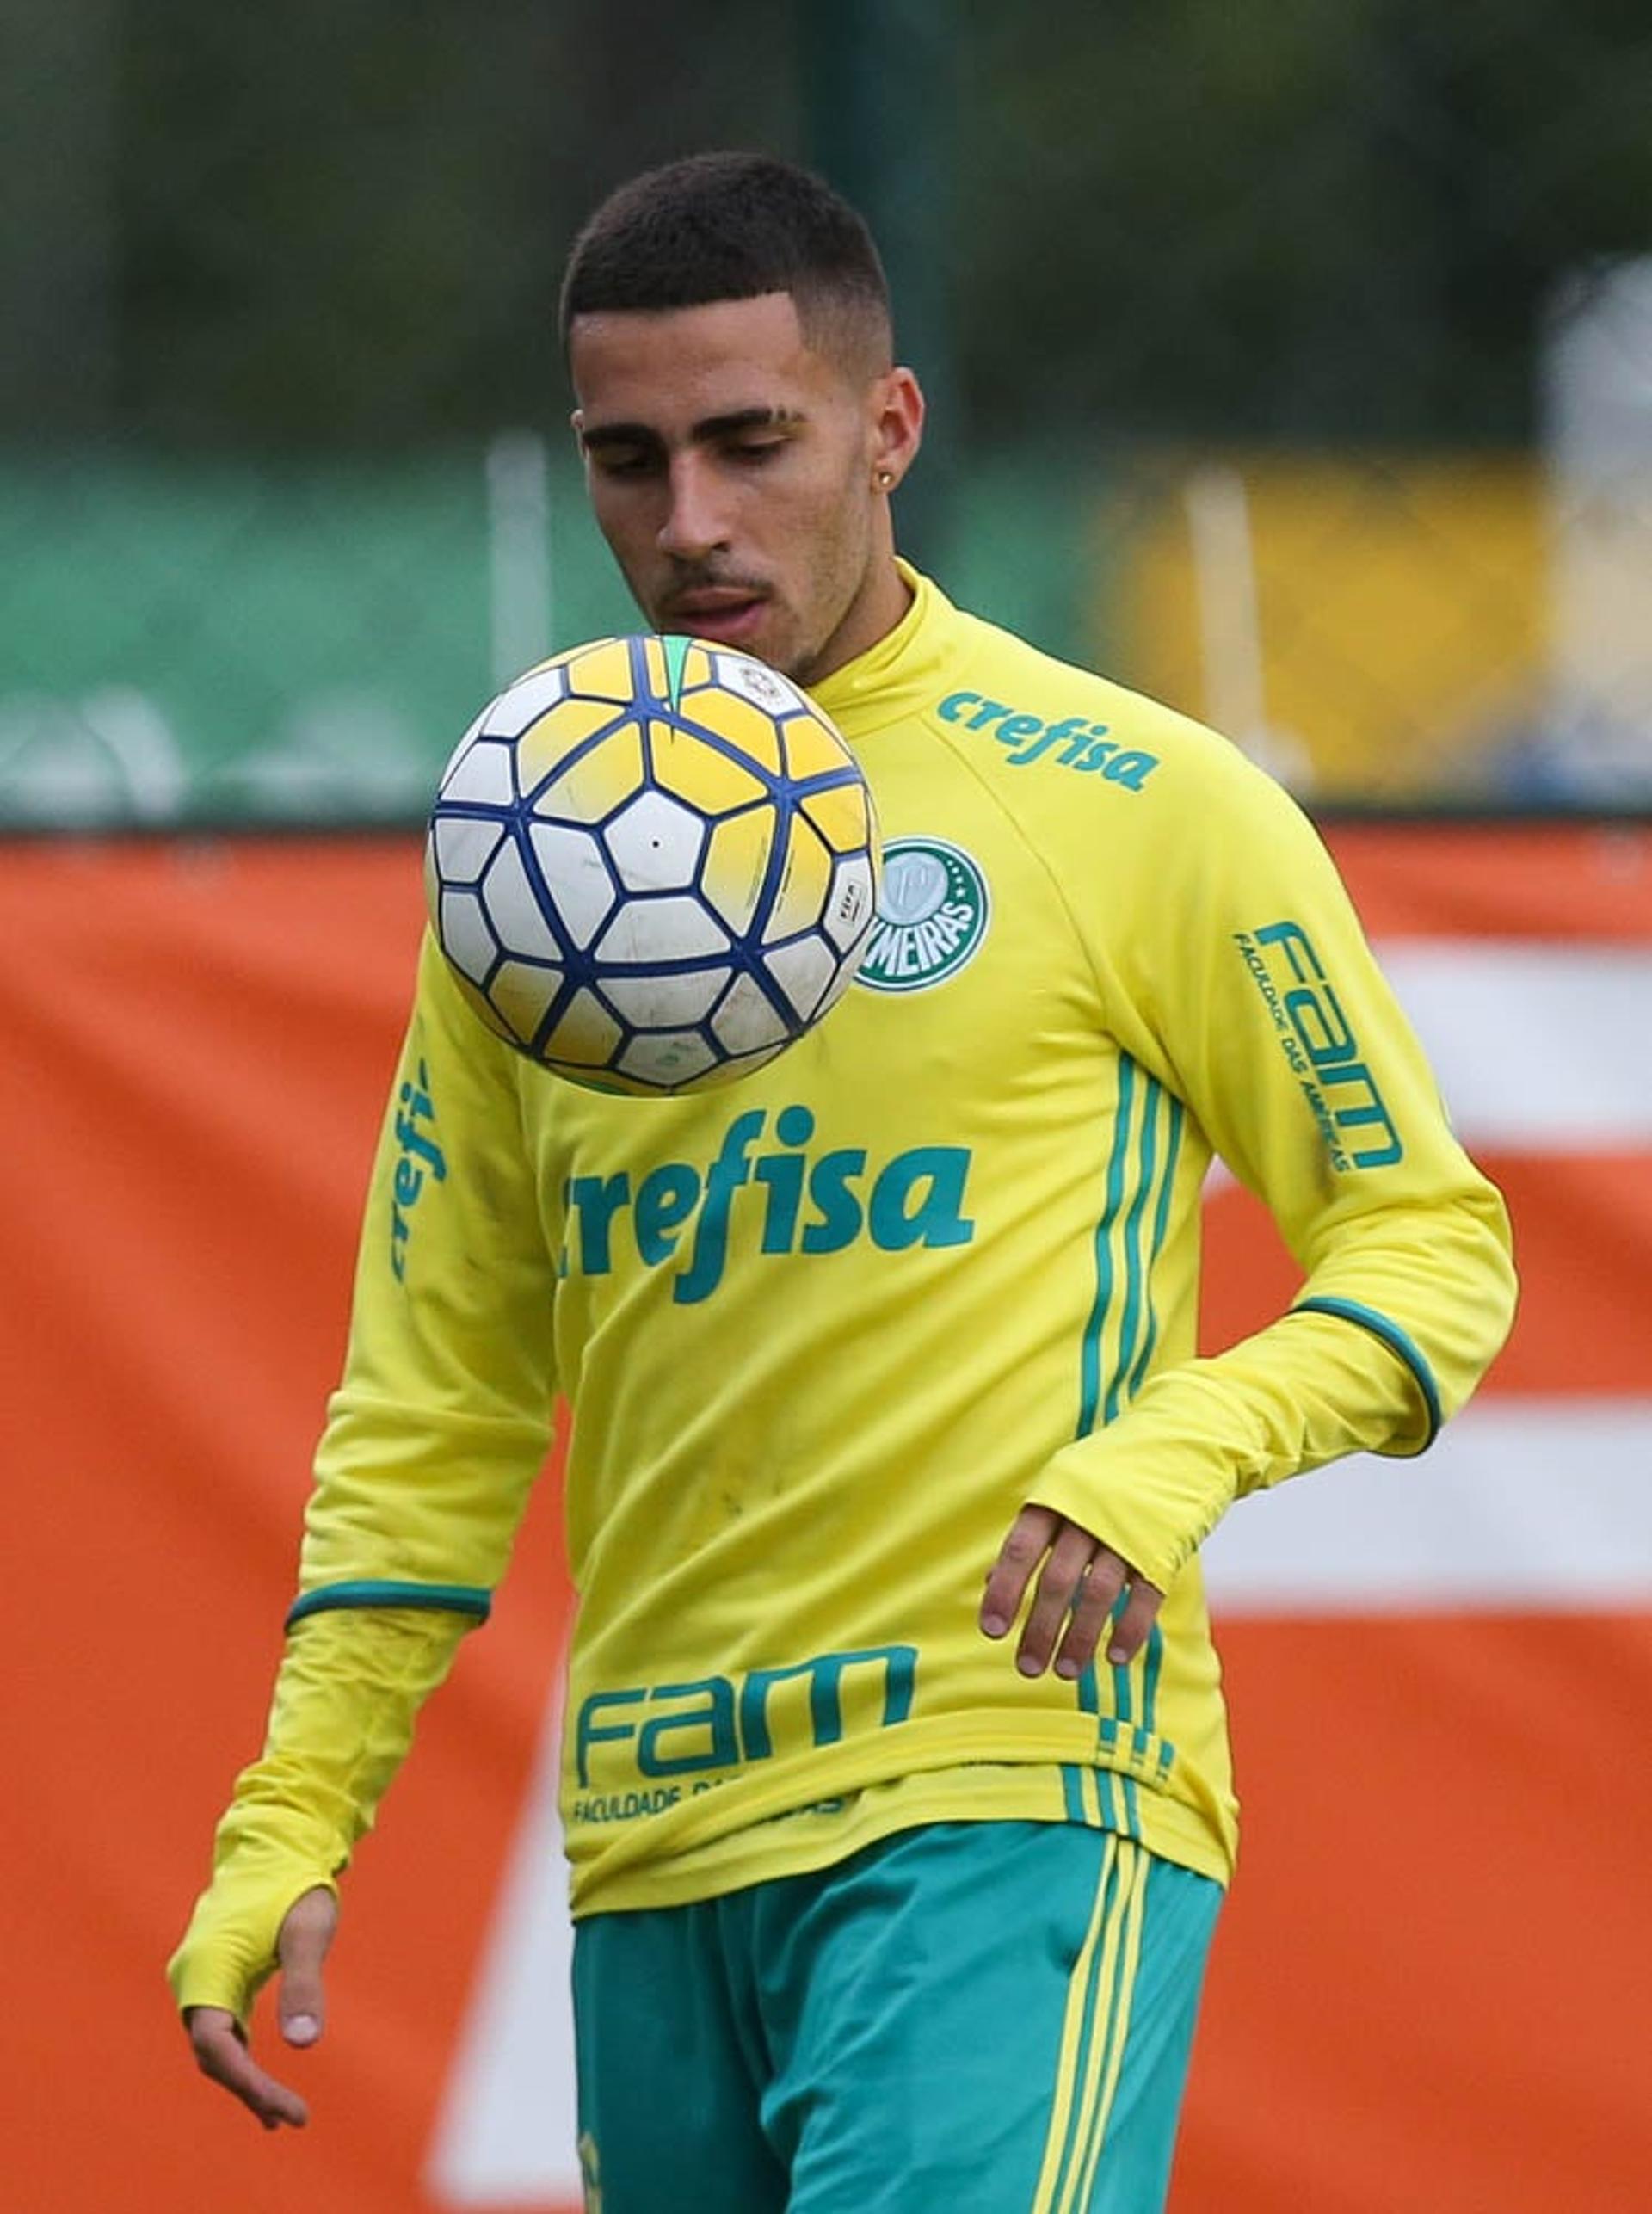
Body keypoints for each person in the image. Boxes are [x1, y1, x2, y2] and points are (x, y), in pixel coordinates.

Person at [170, 151, 1517, 2212]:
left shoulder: (1142, 807)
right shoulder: (526, 869)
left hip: (1010, 1788)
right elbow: (433, 1398)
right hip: (655, 1847)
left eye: (749, 442)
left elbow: (1430, 1244)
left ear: (889, 429)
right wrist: (293, 1816)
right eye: (629, 460)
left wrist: (1173, 1453)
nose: (688, 521)